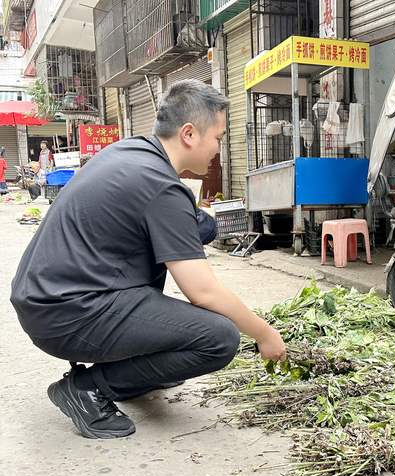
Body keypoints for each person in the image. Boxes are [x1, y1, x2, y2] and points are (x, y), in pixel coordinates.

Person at [11, 79, 287, 439]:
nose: (218, 149)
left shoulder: (133, 153)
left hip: (50, 299)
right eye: (217, 137)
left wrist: (202, 223)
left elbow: (195, 222)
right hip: (68, 313)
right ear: (189, 134)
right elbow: (202, 292)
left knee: (198, 235)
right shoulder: (160, 186)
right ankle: (88, 388)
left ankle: (133, 370)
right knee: (219, 338)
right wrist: (266, 335)